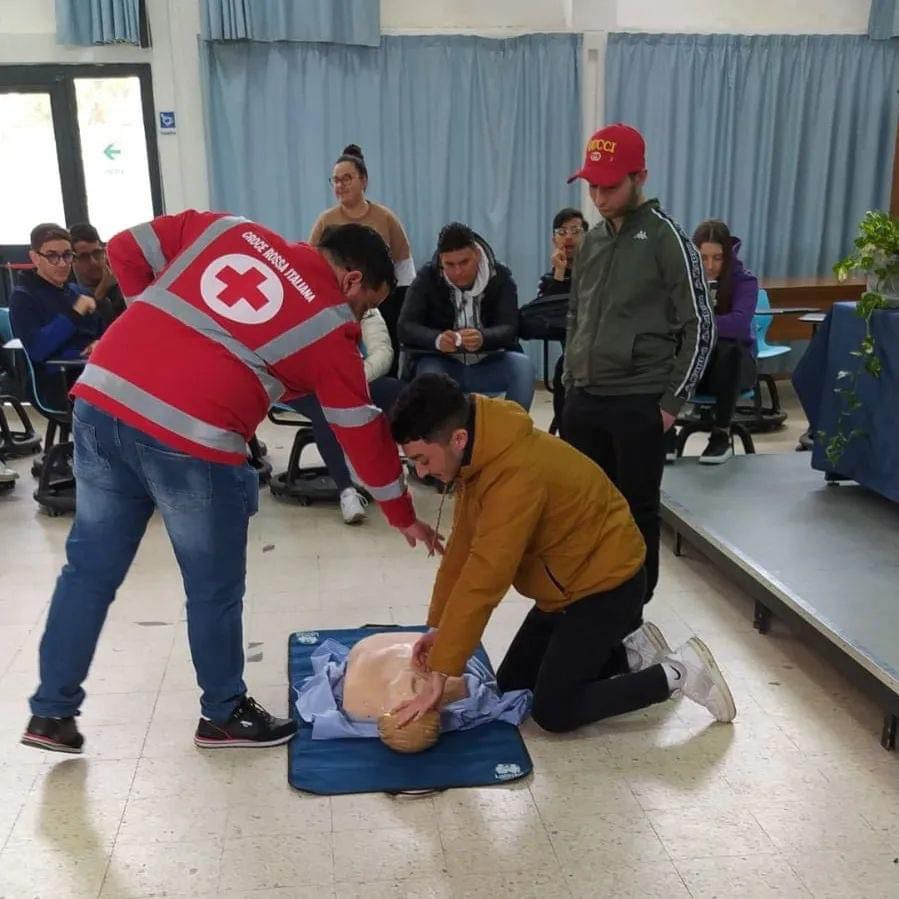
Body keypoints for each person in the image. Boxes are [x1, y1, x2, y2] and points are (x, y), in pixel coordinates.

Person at [20, 213, 440, 756]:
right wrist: (402, 514)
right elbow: (358, 427)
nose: (357, 318)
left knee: (88, 573)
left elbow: (124, 247)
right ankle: (222, 714)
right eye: (364, 306)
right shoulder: (330, 326)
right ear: (352, 279)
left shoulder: (229, 230)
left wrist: (149, 326)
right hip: (192, 440)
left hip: (103, 400)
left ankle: (51, 713)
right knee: (212, 587)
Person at [387, 374, 736, 733]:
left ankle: (679, 672)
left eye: (422, 459)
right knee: (513, 688)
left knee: (553, 709)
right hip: (564, 588)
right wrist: (438, 630)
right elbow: (461, 552)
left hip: (608, 585)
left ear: (458, 438)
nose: (421, 472)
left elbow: (485, 575)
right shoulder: (476, 456)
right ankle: (631, 655)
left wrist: (440, 671)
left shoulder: (515, 473)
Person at [561, 124, 714, 604]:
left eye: (610, 186)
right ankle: (591, 605)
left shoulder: (667, 238)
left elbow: (700, 325)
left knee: (636, 512)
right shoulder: (592, 241)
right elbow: (576, 313)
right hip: (585, 397)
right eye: (593, 186)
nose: (599, 197)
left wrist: (671, 404)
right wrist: (569, 382)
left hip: (639, 399)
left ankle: (633, 610)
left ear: (640, 177)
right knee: (585, 511)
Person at [398, 222, 536, 411]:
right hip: (440, 362)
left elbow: (510, 327)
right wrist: (437, 339)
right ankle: (442, 429)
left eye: (464, 262)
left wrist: (483, 338)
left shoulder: (500, 277)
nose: (458, 271)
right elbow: (405, 326)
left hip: (490, 361)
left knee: (524, 367)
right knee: (430, 374)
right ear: (441, 260)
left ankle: (512, 426)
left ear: (477, 255)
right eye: (449, 264)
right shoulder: (427, 277)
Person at [288, 306, 405, 524]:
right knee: (326, 411)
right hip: (301, 385)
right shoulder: (302, 302)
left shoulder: (365, 306)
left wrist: (350, 380)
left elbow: (383, 354)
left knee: (398, 392)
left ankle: (398, 471)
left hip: (353, 380)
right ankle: (347, 492)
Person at [309, 144, 415, 373]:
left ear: (364, 181)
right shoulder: (325, 221)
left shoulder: (385, 218)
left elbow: (404, 266)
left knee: (385, 357)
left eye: (347, 179)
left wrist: (396, 303)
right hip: (337, 304)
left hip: (381, 303)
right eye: (336, 180)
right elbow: (310, 265)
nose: (340, 185)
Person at [9, 223, 104, 409]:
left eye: (67, 255)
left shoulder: (79, 292)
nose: (62, 264)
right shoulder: (23, 297)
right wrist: (75, 313)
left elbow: (104, 333)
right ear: (35, 258)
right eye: (52, 256)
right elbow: (38, 349)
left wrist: (100, 344)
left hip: (92, 372)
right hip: (58, 382)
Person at [692, 219, 759, 463]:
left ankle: (721, 434)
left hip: (735, 368)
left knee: (729, 349)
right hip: (696, 367)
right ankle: (664, 433)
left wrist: (697, 323)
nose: (710, 266)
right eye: (703, 258)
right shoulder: (684, 280)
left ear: (727, 257)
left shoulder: (745, 281)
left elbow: (739, 325)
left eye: (717, 258)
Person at [536, 208, 588, 431]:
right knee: (563, 368)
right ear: (553, 240)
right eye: (562, 231)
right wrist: (559, 273)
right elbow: (547, 318)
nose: (568, 237)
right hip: (572, 355)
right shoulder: (550, 280)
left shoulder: (599, 271)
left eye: (575, 231)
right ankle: (568, 438)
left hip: (601, 350)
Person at [68, 222, 127, 326]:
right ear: (73, 261)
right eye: (84, 257)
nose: (93, 262)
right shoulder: (66, 286)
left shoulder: (121, 279)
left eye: (97, 253)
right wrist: (100, 293)